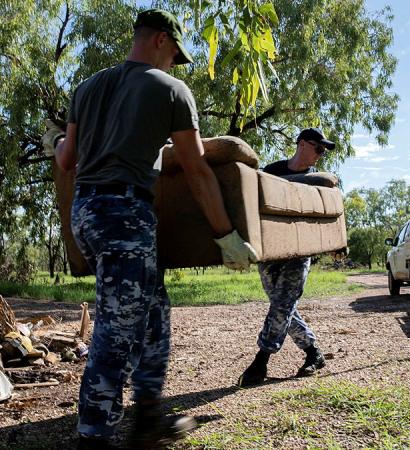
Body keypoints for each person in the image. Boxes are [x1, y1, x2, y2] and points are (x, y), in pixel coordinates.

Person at [42, 9, 257, 449]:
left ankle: (149, 418)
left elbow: (67, 159)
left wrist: (58, 140)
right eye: (175, 54)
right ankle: (93, 435)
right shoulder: (171, 90)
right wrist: (226, 235)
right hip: (124, 216)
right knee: (117, 331)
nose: (173, 64)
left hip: (85, 212)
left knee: (154, 314)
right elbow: (197, 169)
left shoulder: (87, 88)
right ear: (161, 39)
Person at [237, 128, 335, 387]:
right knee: (282, 305)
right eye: (319, 148)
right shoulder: (272, 171)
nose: (321, 154)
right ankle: (313, 351)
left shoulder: (318, 180)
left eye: (323, 150)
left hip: (300, 253)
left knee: (282, 302)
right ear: (302, 144)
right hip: (270, 252)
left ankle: (261, 360)